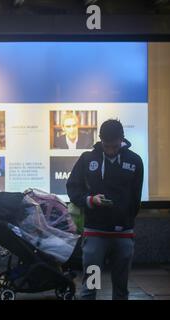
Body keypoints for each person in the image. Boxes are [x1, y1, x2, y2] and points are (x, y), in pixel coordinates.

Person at [66, 119, 144, 300]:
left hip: (123, 234)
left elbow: (135, 197)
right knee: (92, 285)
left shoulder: (134, 161)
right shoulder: (88, 159)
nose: (110, 150)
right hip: (95, 234)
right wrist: (90, 200)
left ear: (122, 139)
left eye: (115, 146)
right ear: (100, 140)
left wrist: (126, 219)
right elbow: (73, 188)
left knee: (121, 287)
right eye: (107, 146)